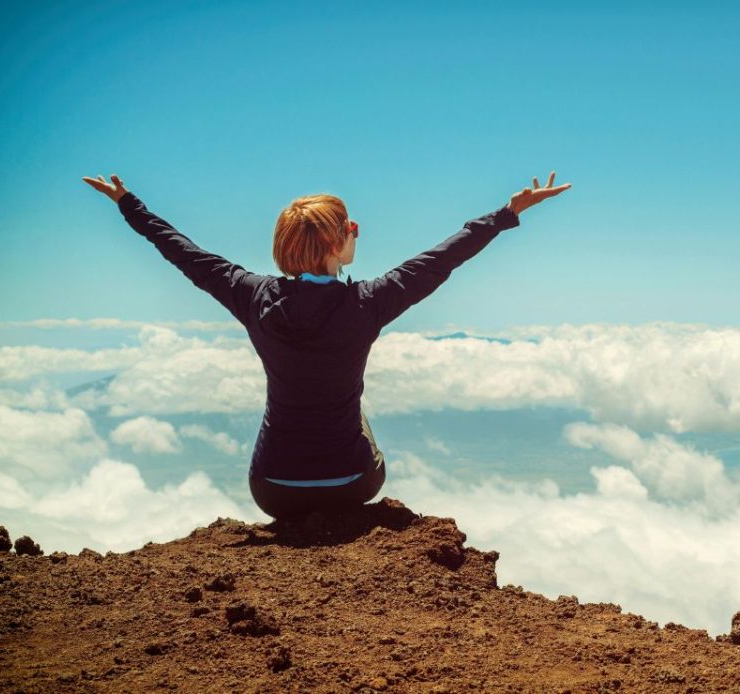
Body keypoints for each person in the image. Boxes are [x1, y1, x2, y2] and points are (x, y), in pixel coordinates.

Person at [81, 171, 572, 520]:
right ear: (337, 243)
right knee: (355, 409)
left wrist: (128, 203)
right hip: (352, 485)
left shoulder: (250, 295)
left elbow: (181, 250)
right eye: (351, 228)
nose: (356, 233)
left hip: (273, 491)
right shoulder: (369, 303)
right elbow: (443, 258)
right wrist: (507, 213)